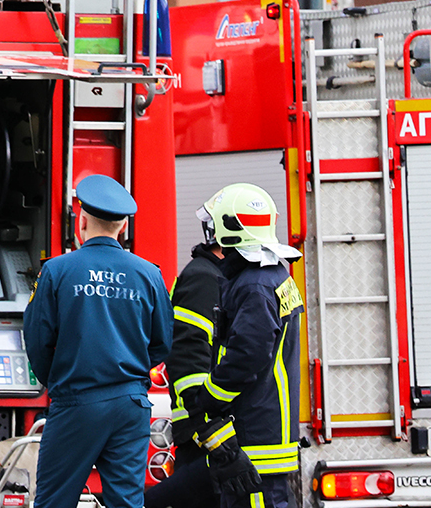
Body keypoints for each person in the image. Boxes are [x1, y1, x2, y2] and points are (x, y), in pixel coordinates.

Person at [24, 174, 173, 508]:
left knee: (54, 501)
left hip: (77, 400)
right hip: (131, 404)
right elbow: (162, 342)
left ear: (82, 219)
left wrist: (62, 379)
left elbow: (36, 340)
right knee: (127, 502)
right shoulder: (149, 274)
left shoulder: (58, 271)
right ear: (122, 226)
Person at [194, 183, 304, 508]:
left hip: (256, 433)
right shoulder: (273, 276)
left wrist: (210, 397)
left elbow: (248, 355)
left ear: (230, 228)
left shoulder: (254, 285)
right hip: (269, 425)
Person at [143, 235, 226, 508]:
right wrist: (207, 424)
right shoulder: (204, 278)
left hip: (209, 427)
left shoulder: (216, 275)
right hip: (201, 431)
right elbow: (188, 354)